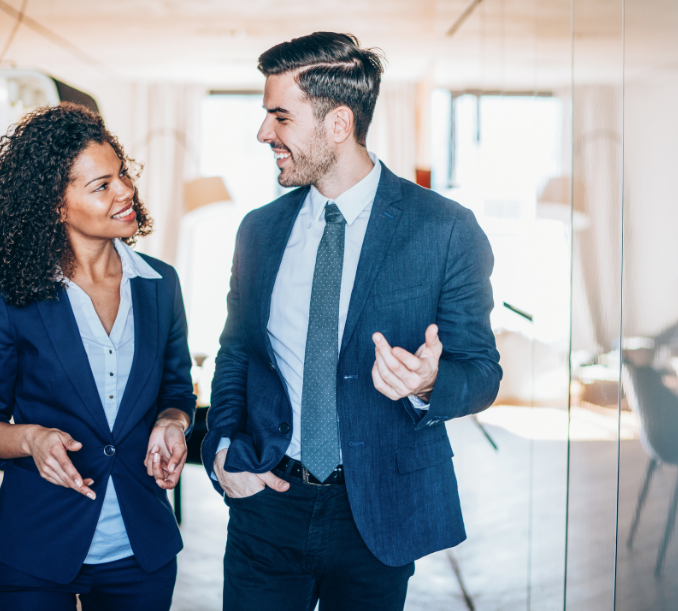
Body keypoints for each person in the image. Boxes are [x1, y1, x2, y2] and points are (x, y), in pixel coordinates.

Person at [201, 32, 502, 611]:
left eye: (280, 117)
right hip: (267, 502)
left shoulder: (445, 229)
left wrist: (428, 383)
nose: (264, 133)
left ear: (338, 123)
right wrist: (221, 450)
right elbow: (237, 351)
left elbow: (482, 373)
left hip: (380, 513)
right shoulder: (258, 231)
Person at [0, 102, 196, 611]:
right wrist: (30, 439)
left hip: (142, 554)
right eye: (102, 185)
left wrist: (173, 422)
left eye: (122, 174)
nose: (125, 191)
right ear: (56, 206)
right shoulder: (6, 291)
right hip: (34, 549)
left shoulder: (160, 283)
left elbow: (177, 390)